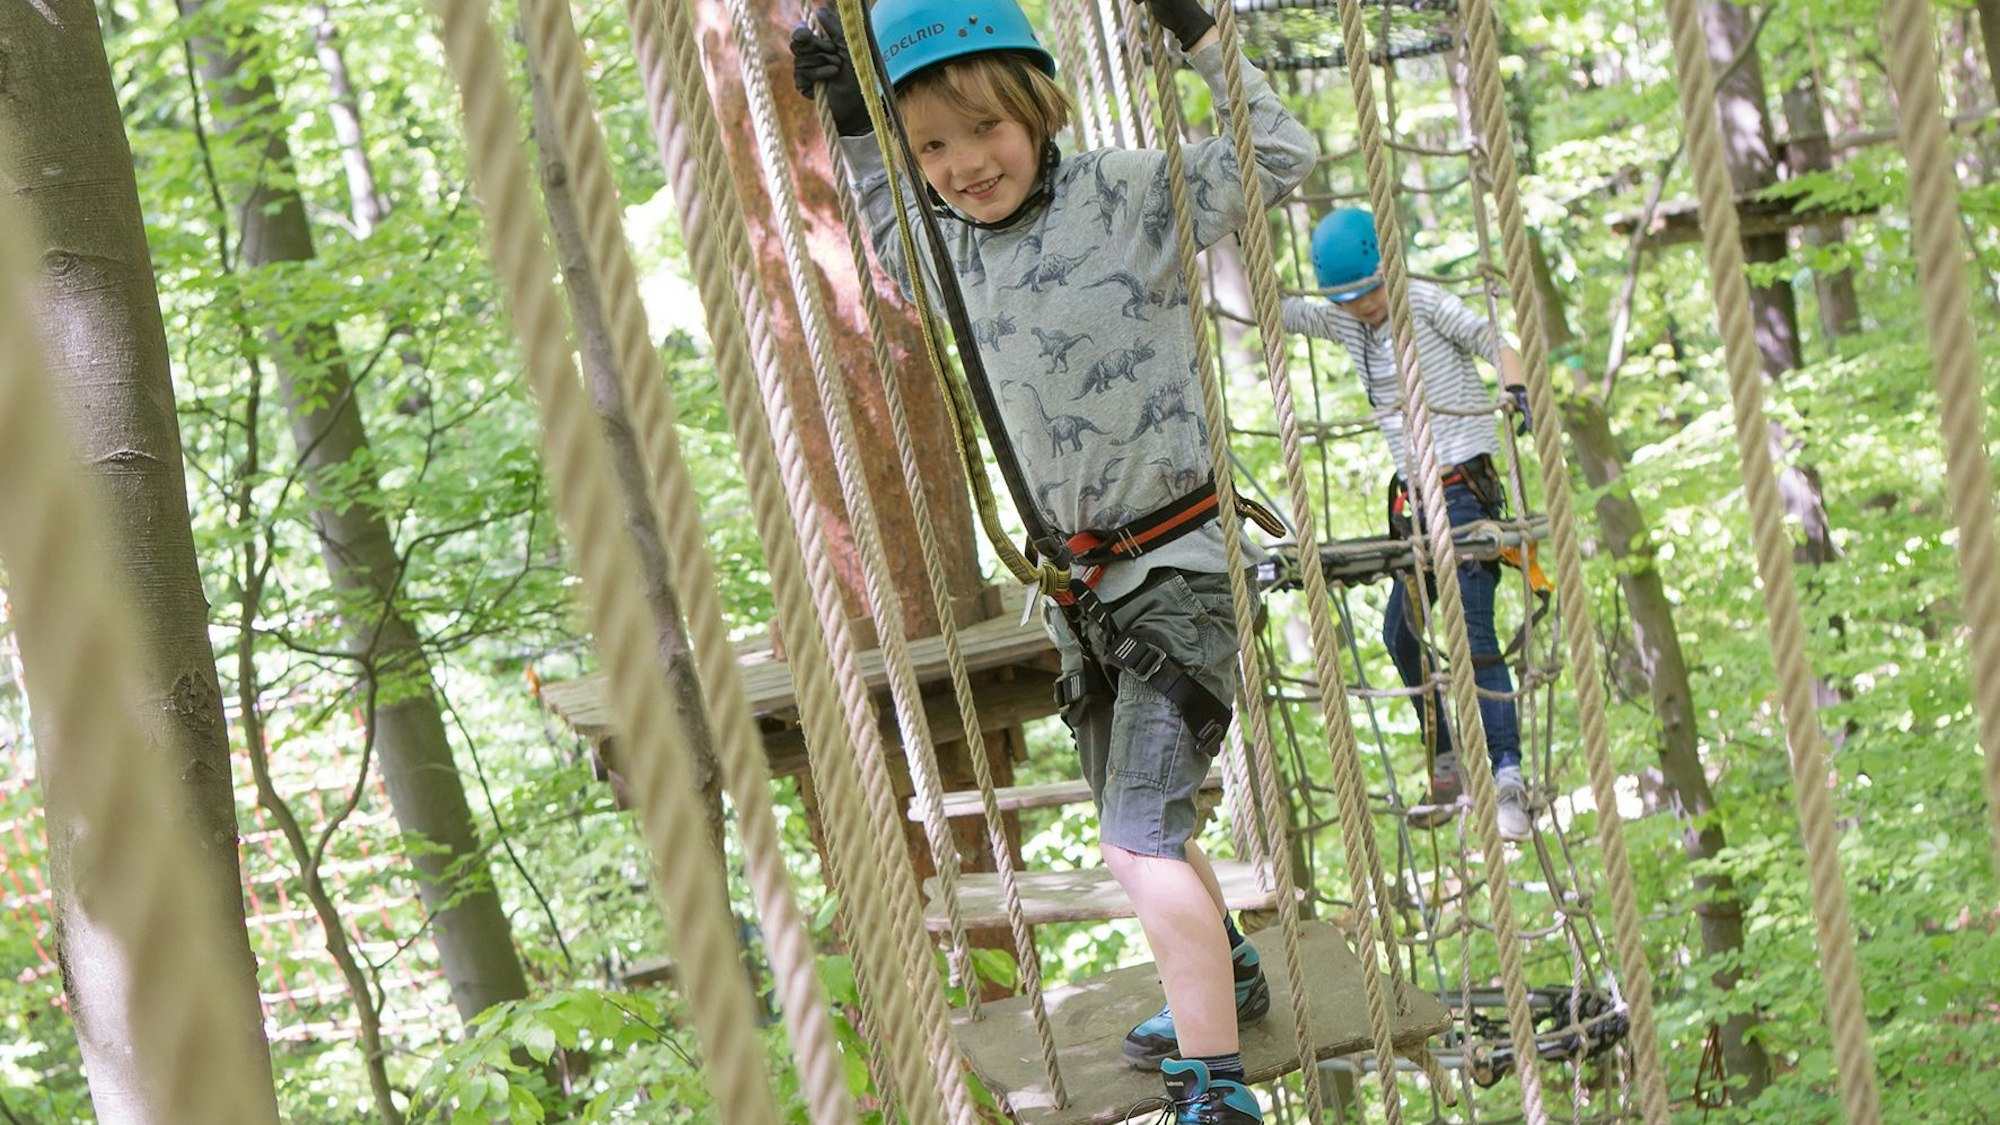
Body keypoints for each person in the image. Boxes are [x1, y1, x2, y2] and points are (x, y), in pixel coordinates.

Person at [792, 2, 1314, 1119]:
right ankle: (1225, 973)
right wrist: (850, 120)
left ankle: (1217, 1093)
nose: (959, 165)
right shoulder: (944, 253)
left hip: (1178, 566)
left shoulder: (1128, 197)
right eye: (928, 145)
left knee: (1134, 838)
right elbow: (883, 219)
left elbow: (1279, 154)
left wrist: (1199, 35)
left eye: (979, 129)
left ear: (1036, 108)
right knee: (1143, 820)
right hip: (1080, 593)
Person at [1281, 208, 1533, 841]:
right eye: (1350, 297)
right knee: (1402, 634)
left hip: (1464, 490)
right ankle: (1448, 761)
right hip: (1416, 504)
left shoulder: (1423, 302)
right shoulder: (1350, 321)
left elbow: (1492, 338)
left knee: (1471, 632)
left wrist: (1518, 385)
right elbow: (1291, 313)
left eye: (1369, 290)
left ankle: (1508, 777)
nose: (1363, 306)